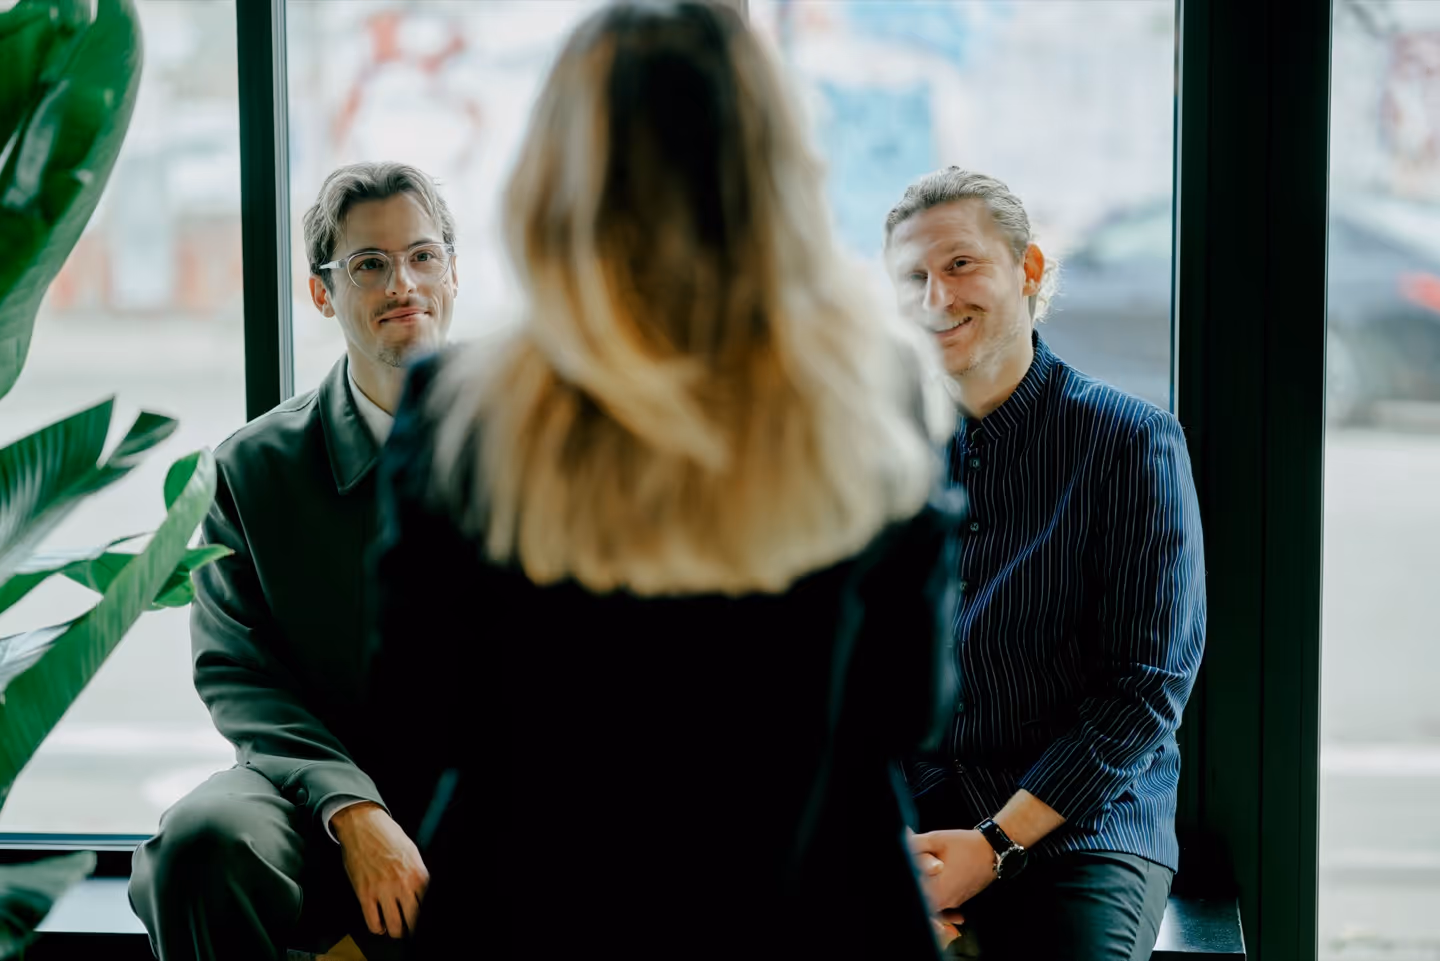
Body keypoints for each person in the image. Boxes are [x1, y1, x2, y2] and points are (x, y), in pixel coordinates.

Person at [362, 3, 962, 957]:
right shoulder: (872, 390)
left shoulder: (462, 409)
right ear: (779, 176)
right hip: (814, 913)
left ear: (556, 178)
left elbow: (417, 717)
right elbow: (910, 704)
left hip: (531, 919)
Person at [128, 161, 460, 961]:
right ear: (323, 293)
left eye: (422, 256)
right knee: (202, 844)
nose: (402, 283)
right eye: (368, 265)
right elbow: (238, 675)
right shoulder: (251, 469)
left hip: (490, 782)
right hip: (311, 790)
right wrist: (351, 808)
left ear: (453, 271)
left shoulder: (533, 441)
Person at [885, 168, 1205, 961]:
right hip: (915, 822)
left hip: (1082, 830)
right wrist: (892, 864)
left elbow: (1145, 688)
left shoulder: (1131, 441)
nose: (936, 297)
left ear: (1027, 271)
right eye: (913, 277)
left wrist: (991, 846)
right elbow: (861, 673)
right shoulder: (886, 452)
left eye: (961, 264)